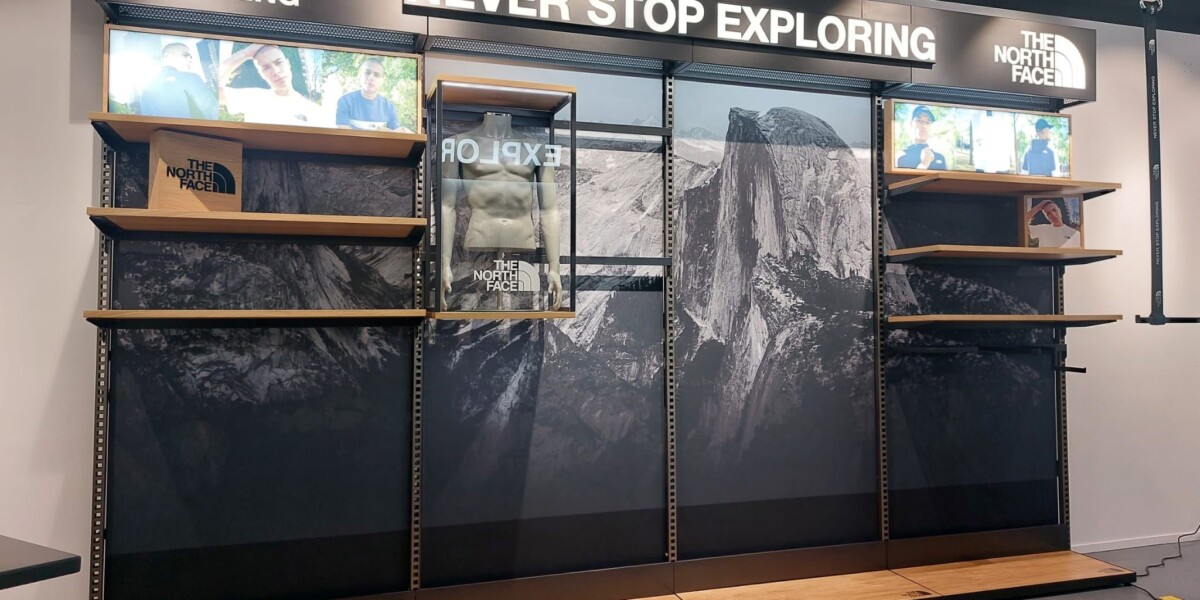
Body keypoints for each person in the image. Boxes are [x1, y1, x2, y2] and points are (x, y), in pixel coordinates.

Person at [218, 43, 328, 127]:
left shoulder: (314, 111)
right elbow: (212, 91)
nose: (275, 71)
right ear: (261, 74)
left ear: (288, 64)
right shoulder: (254, 98)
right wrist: (245, 53)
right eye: (266, 67)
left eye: (278, 62)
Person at [137, 43, 218, 120]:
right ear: (167, 56)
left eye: (190, 57)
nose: (190, 60)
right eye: (185, 55)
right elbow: (213, 112)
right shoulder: (190, 78)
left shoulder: (146, 87)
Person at [336, 58, 413, 132]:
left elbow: (395, 136)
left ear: (382, 80)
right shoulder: (345, 101)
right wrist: (377, 131)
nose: (370, 78)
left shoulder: (389, 107)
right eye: (367, 73)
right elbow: (342, 132)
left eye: (377, 75)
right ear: (359, 76)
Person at [896, 105, 947, 170]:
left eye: (928, 122)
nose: (924, 126)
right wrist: (924, 164)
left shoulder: (940, 157)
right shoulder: (901, 156)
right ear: (911, 124)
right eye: (919, 120)